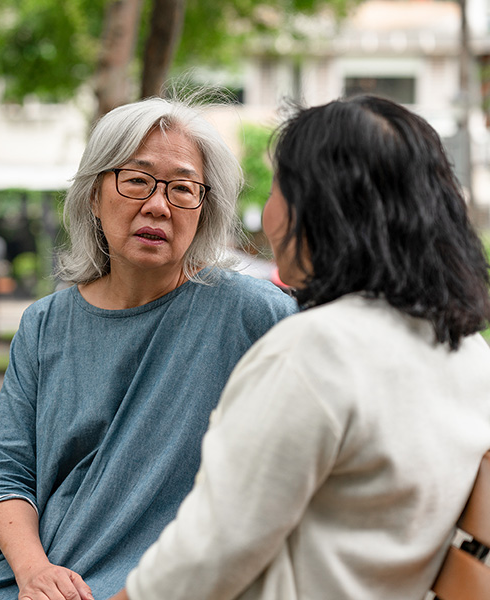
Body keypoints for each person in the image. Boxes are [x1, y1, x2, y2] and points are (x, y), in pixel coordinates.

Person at [111, 96, 490, 600]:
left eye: (278, 189)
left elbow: (200, 563)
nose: (269, 213)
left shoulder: (314, 352)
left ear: (322, 211)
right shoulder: (468, 353)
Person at [0, 97, 298, 600]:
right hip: (39, 579)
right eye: (137, 180)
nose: (158, 204)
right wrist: (34, 572)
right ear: (93, 193)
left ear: (205, 208)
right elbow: (4, 471)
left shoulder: (254, 314)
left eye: (182, 188)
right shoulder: (44, 324)